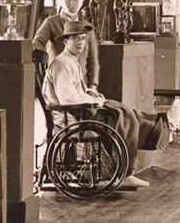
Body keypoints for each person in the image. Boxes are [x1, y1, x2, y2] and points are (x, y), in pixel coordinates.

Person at [42, 21, 169, 188]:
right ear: (66, 41)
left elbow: (75, 91)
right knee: (124, 116)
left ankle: (157, 129)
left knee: (128, 113)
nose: (81, 42)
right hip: (71, 116)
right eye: (76, 39)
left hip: (79, 111)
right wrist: (94, 101)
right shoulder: (62, 63)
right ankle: (126, 172)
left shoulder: (70, 60)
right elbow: (67, 99)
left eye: (83, 39)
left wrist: (90, 93)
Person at [33, 0, 100, 89]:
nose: (72, 3)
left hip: (81, 85)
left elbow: (93, 60)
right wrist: (42, 55)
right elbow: (37, 42)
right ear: (61, 1)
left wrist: (93, 86)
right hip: (57, 83)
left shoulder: (88, 28)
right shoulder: (51, 22)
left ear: (81, 2)